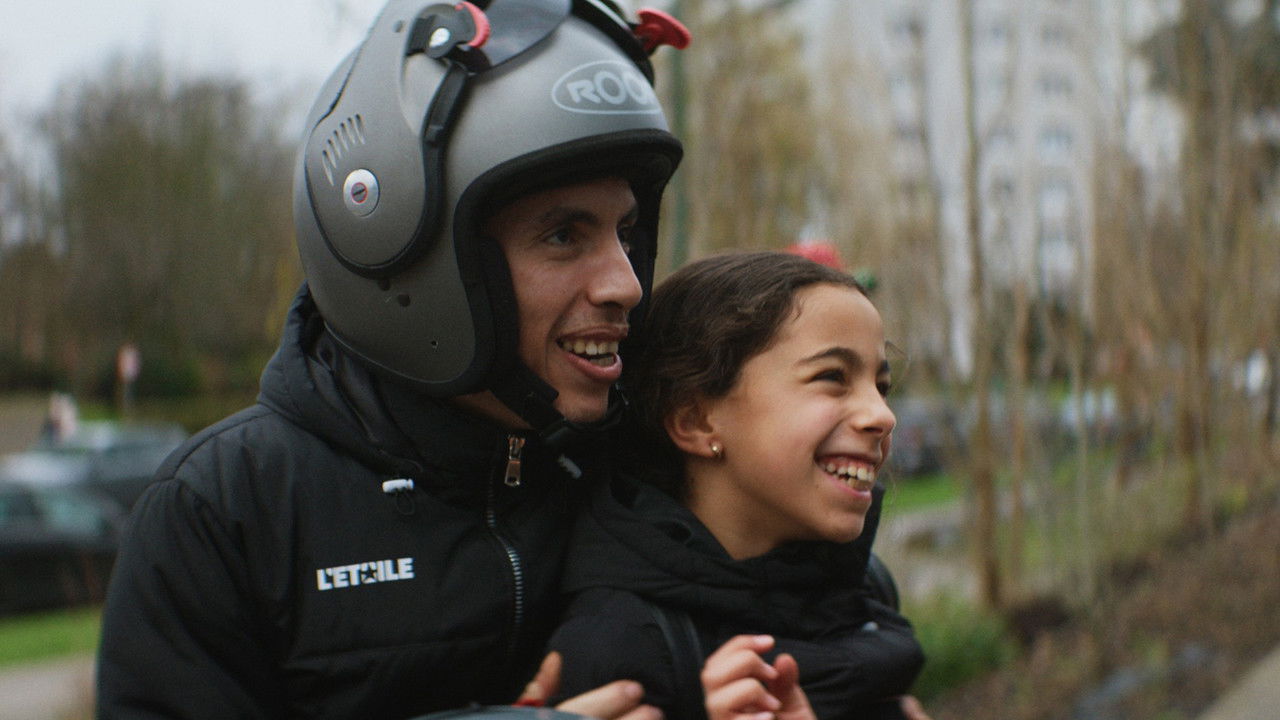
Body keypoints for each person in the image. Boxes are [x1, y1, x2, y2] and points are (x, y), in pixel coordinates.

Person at [95, 1, 691, 718]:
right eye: (564, 235)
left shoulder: (646, 467)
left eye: (626, 232)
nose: (624, 282)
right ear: (410, 249)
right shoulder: (224, 512)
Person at [546, 252, 927, 719]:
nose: (882, 416)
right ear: (695, 420)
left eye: (881, 385)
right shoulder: (618, 652)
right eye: (832, 377)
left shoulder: (865, 588)